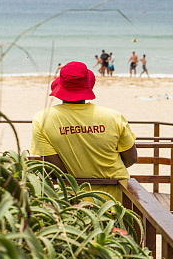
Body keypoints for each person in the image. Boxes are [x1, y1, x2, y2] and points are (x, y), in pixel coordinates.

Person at [30, 61, 137, 203]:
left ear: (60, 87)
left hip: (73, 201)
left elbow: (54, 170)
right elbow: (131, 158)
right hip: (115, 200)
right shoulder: (114, 117)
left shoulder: (42, 119)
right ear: (88, 85)